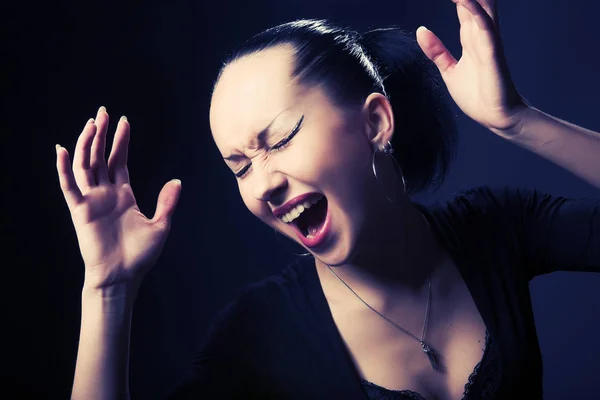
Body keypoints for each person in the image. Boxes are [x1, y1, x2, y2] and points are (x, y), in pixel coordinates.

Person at [57, 0, 600, 399]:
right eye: (240, 166)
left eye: (282, 137)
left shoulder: (496, 227)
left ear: (375, 122)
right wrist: (109, 286)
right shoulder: (261, 331)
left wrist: (516, 121)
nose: (264, 182)